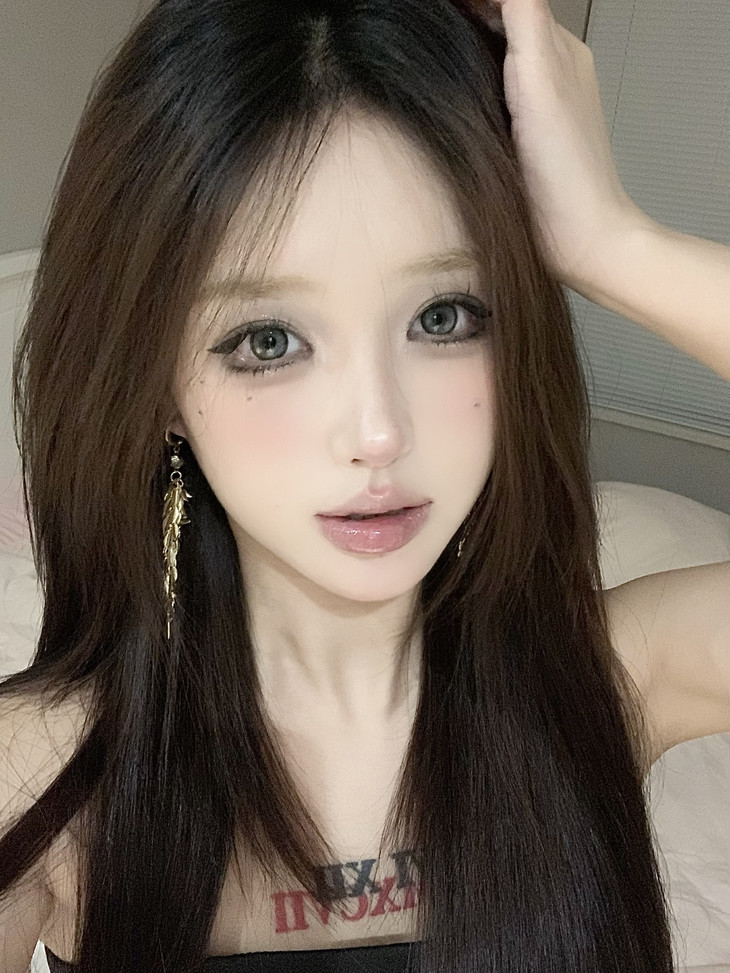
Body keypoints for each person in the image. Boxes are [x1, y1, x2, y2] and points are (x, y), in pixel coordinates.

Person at [0, 0, 727, 971]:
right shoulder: (43, 777)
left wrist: (617, 244)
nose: (379, 432)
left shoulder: (614, 678)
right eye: (269, 340)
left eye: (444, 316)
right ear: (160, 388)